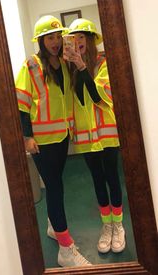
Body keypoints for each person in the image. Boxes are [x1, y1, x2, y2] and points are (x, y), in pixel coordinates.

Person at [15, 15, 91, 267]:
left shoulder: (64, 63)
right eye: (50, 38)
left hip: (60, 137)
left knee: (56, 184)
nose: (56, 42)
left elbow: (75, 94)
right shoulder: (31, 65)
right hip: (41, 142)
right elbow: (22, 104)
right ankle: (65, 250)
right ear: (40, 40)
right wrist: (27, 137)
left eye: (59, 36)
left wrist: (78, 64)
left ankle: (52, 226)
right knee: (55, 188)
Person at [64, 18, 126, 254]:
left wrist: (81, 67)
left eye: (82, 37)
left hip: (107, 134)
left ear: (90, 40)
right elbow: (77, 99)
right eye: (73, 37)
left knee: (111, 177)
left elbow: (98, 97)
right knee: (98, 181)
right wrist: (74, 67)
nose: (77, 41)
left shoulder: (104, 63)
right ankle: (106, 226)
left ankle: (118, 225)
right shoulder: (69, 68)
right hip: (86, 137)